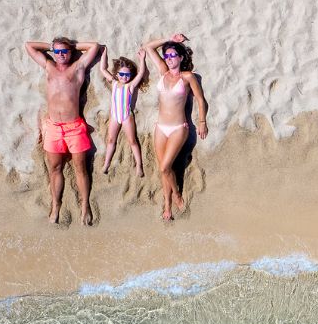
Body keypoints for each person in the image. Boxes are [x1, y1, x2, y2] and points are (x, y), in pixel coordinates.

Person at [24, 35, 103, 225]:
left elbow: (94, 46)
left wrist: (72, 46)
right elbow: (29, 46)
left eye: (64, 52)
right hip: (53, 127)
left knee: (80, 168)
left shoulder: (77, 68)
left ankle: (85, 206)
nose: (60, 55)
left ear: (70, 53)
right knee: (55, 168)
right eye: (57, 52)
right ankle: (56, 205)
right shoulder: (49, 66)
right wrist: (52, 47)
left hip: (74, 127)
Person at [141, 33, 209, 221]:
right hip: (160, 128)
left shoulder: (187, 77)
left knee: (164, 168)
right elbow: (148, 47)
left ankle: (177, 195)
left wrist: (202, 122)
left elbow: (201, 101)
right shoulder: (163, 72)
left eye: (173, 55)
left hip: (179, 128)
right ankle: (168, 206)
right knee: (164, 168)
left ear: (180, 57)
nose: (169, 59)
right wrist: (168, 40)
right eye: (167, 56)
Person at [98, 46, 146, 177]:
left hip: (126, 116)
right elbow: (102, 69)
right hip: (114, 116)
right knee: (110, 140)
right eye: (122, 74)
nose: (124, 77)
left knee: (132, 141)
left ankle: (139, 166)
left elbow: (141, 73)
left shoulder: (129, 86)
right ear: (117, 74)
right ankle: (106, 164)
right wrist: (104, 53)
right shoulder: (113, 82)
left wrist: (142, 59)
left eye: (127, 74)